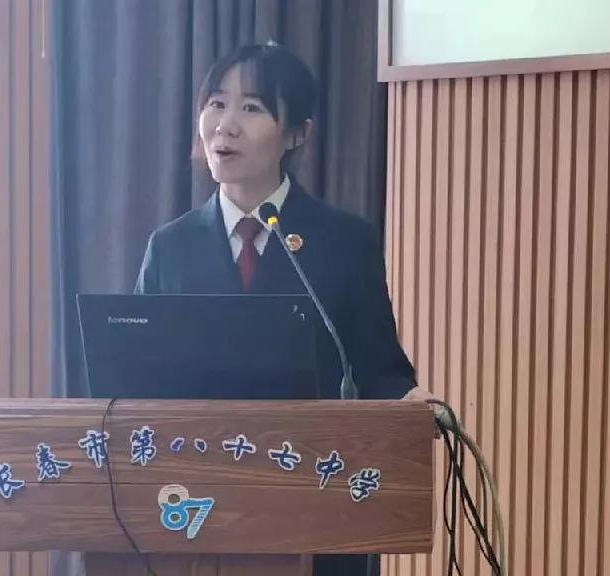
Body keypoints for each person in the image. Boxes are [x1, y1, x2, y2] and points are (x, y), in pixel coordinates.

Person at [134, 43, 417, 576]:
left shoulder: (344, 242)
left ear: (297, 135)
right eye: (216, 103)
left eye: (252, 107)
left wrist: (412, 406)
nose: (226, 125)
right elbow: (133, 382)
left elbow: (379, 370)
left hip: (318, 505)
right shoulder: (170, 248)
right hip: (194, 513)